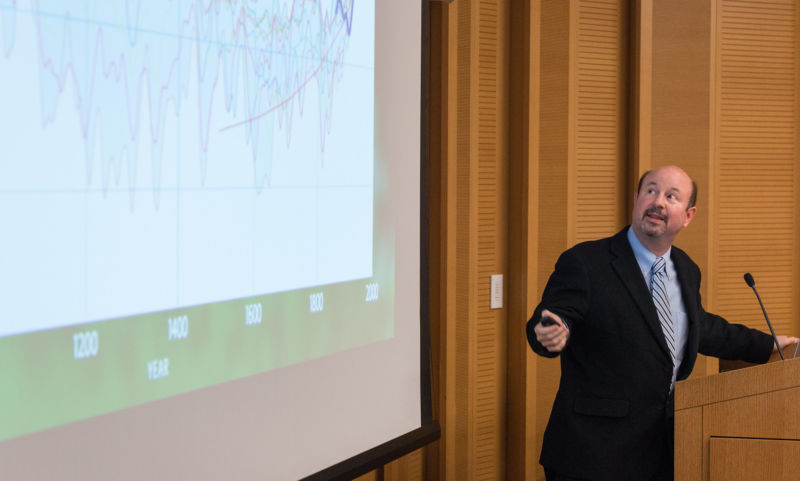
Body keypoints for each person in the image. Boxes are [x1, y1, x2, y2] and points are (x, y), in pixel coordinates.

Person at [526, 165, 797, 481]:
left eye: (672, 196)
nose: (658, 202)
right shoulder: (586, 262)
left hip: (661, 451)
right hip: (592, 454)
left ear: (688, 215)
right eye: (651, 191)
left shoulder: (685, 268)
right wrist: (550, 331)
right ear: (636, 199)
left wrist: (768, 344)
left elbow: (699, 328)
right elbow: (554, 316)